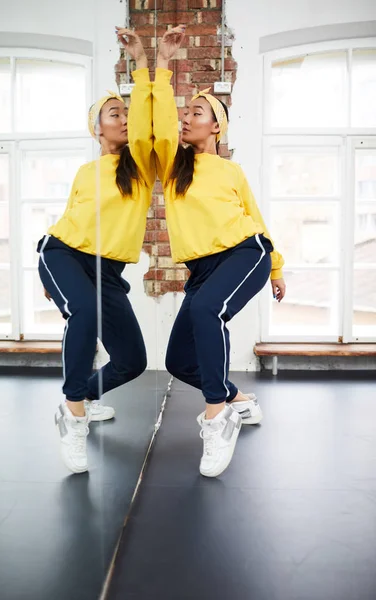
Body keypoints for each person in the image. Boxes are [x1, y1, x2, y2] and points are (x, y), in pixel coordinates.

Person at [152, 25, 286, 478]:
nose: (186, 118)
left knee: (209, 312)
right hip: (202, 268)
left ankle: (217, 418)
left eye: (196, 113)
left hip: (246, 253)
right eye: (184, 112)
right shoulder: (173, 166)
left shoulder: (231, 171)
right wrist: (164, 62)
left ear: (217, 126)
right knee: (177, 359)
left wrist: (277, 267)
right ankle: (236, 398)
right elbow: (158, 123)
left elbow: (256, 218)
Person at [38, 29, 155, 474]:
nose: (123, 119)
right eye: (113, 113)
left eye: (125, 112)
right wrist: (48, 276)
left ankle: (85, 393)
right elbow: (66, 222)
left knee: (133, 360)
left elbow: (148, 117)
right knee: (83, 314)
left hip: (107, 271)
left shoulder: (142, 165)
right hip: (63, 254)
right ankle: (72, 413)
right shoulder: (87, 171)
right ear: (96, 127)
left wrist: (142, 58)